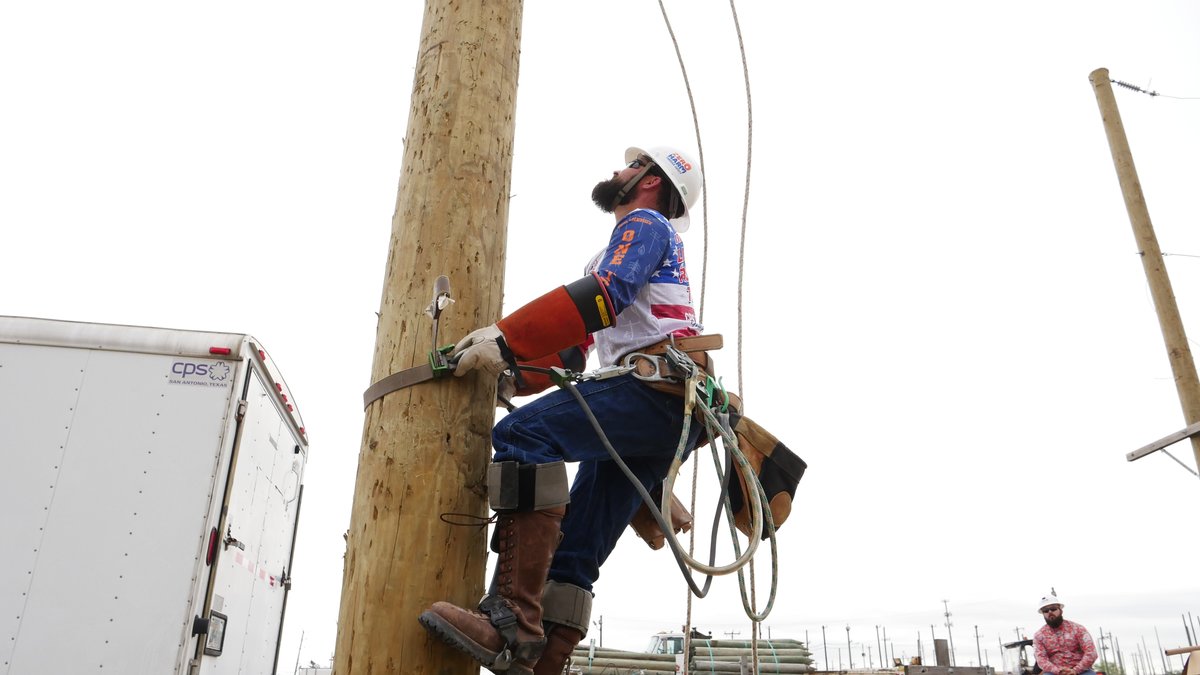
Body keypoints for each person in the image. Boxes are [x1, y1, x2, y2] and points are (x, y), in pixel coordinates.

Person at [419, 145, 707, 675]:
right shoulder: (633, 247)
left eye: (631, 165)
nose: (617, 171)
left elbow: (608, 293)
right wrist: (511, 371)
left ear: (649, 181)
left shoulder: (645, 223)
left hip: (652, 393)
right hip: (663, 411)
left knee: (525, 437)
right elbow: (579, 348)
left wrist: (505, 337)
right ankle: (543, 659)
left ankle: (510, 621)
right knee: (576, 551)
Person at [1034, 593, 1098, 675]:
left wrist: (1075, 670)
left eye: (1053, 609)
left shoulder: (1078, 629)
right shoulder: (1039, 636)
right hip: (1054, 672)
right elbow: (1041, 660)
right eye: (1045, 611)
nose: (1050, 612)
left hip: (1081, 671)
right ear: (1043, 614)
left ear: (1060, 610)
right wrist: (1058, 671)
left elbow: (1091, 653)